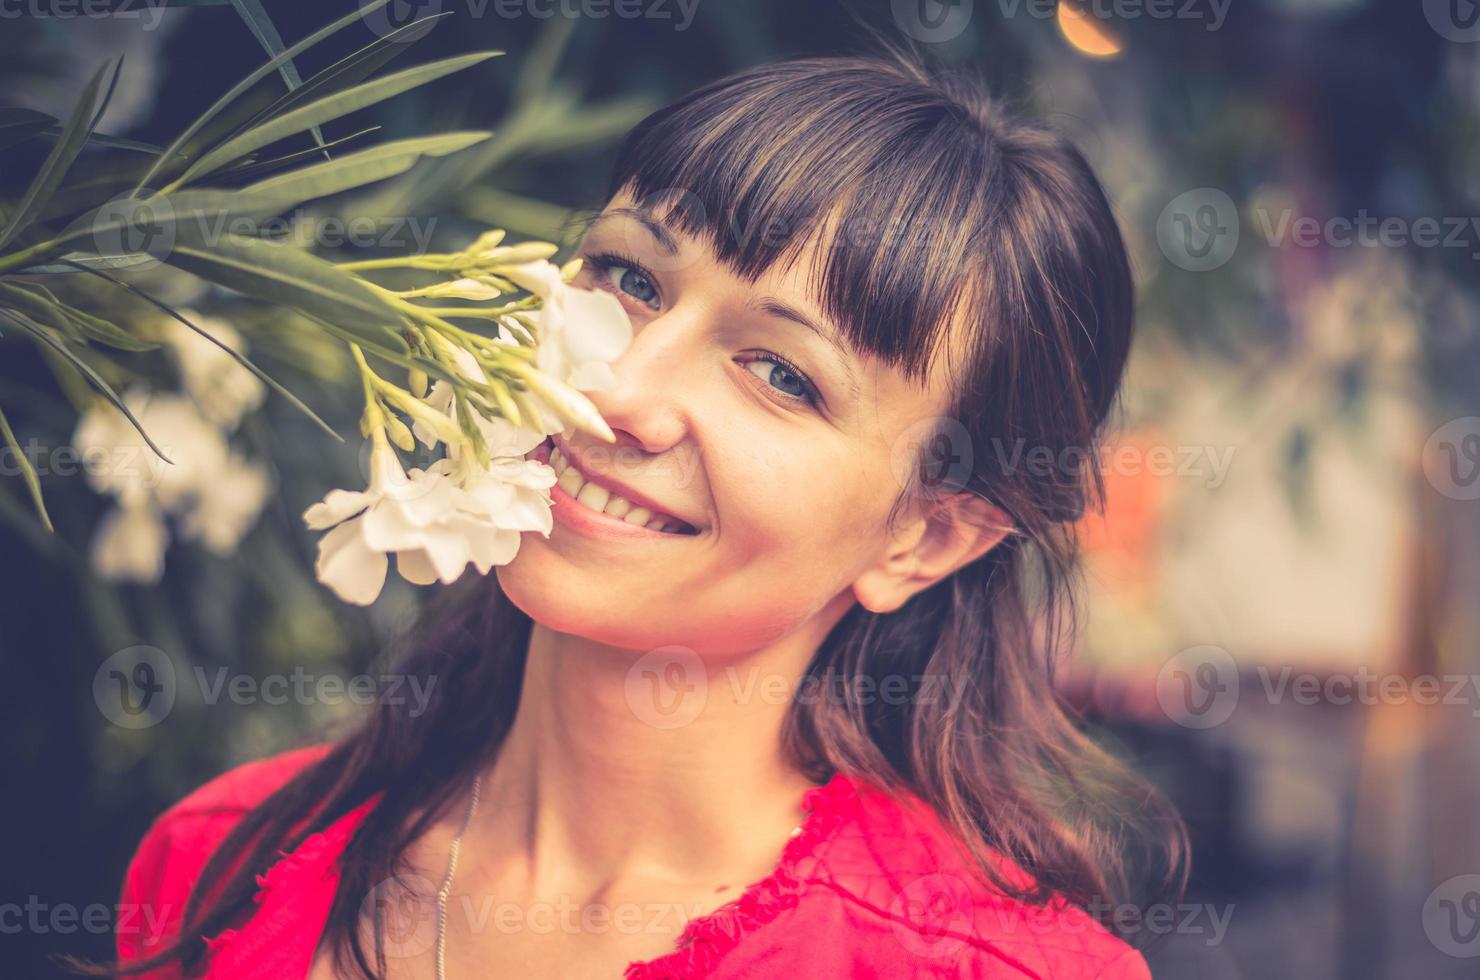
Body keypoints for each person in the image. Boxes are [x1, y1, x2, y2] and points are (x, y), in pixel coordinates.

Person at [101, 46, 1187, 980]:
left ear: (926, 534)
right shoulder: (216, 864)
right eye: (627, 276)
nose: (615, 391)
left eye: (782, 373)